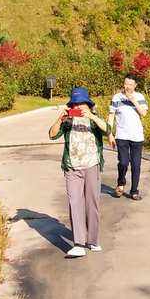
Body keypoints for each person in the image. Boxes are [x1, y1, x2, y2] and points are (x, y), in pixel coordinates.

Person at [49, 86, 108, 258]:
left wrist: (92, 116)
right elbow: (52, 135)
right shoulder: (67, 121)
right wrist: (60, 118)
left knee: (92, 202)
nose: (78, 107)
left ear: (89, 105)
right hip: (72, 166)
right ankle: (79, 243)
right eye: (75, 104)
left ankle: (93, 240)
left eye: (82, 104)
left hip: (92, 165)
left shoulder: (93, 119)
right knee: (75, 202)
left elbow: (109, 129)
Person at [108, 74, 148, 200]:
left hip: (137, 136)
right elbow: (111, 116)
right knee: (124, 162)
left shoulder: (140, 97)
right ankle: (120, 183)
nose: (127, 86)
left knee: (136, 165)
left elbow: (144, 113)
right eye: (126, 83)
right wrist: (110, 134)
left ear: (135, 85)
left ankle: (134, 191)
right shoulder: (117, 97)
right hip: (122, 135)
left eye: (130, 84)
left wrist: (133, 100)